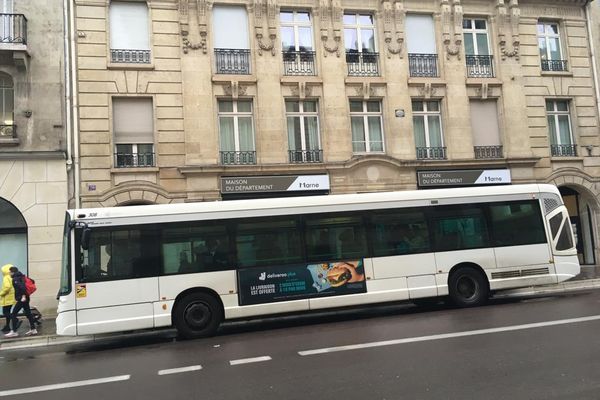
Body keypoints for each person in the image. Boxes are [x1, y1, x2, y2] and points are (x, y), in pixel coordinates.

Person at [4, 266, 37, 338]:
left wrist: (23, 296)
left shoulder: (16, 279)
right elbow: (31, 281)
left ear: (12, 272)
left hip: (22, 298)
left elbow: (22, 287)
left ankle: (14, 331)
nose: (9, 274)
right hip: (25, 297)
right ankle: (33, 329)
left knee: (13, 314)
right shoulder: (21, 276)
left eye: (10, 272)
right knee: (28, 313)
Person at [0, 264, 16, 333]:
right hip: (12, 296)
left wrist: (1, 293)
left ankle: (15, 319)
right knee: (8, 312)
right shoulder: (11, 276)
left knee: (5, 312)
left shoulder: (6, 277)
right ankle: (7, 326)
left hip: (7, 297)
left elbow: (7, 287)